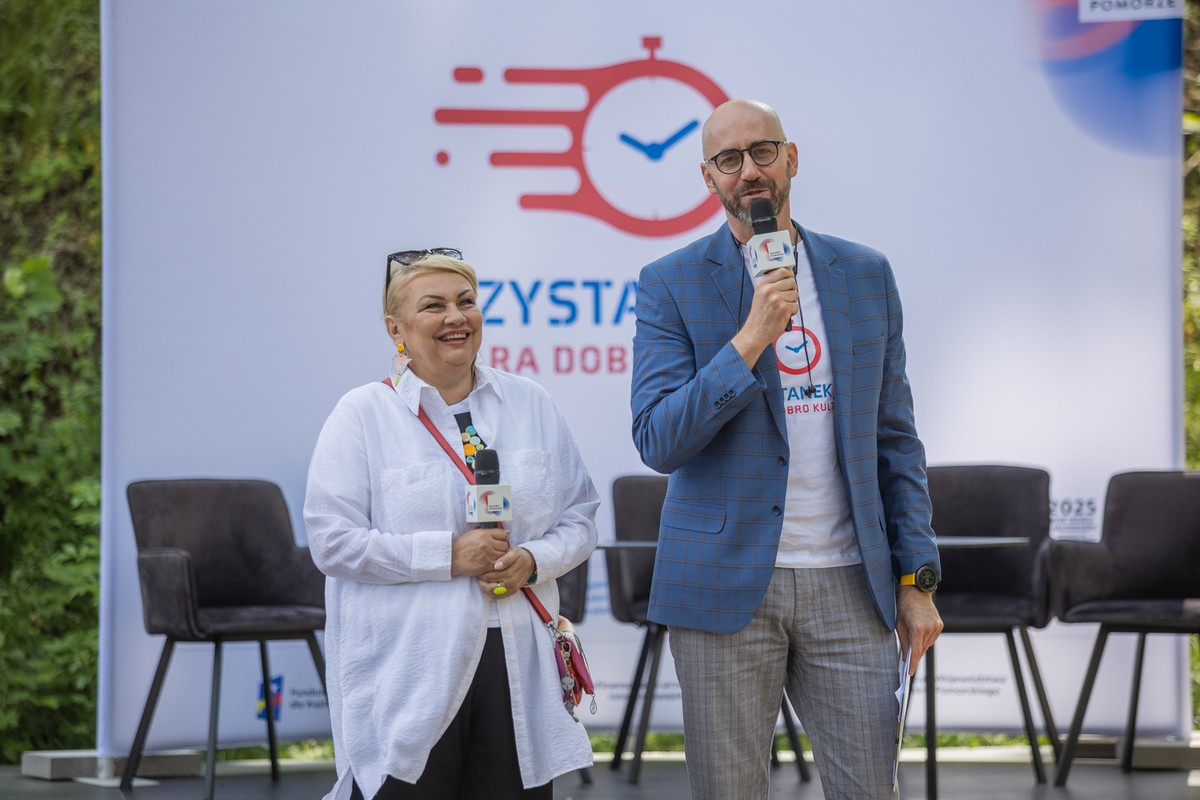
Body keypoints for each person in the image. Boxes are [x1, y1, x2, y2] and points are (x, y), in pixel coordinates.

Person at [629, 99, 943, 799]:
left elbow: (896, 439)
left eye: (762, 152)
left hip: (851, 582)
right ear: (708, 177)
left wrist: (916, 582)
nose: (749, 171)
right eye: (728, 159)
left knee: (870, 790)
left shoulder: (865, 273)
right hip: (722, 584)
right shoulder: (670, 282)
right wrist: (749, 340)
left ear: (791, 158)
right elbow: (658, 438)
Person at [305, 249, 599, 800]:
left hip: (516, 660)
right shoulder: (362, 414)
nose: (455, 317)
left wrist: (533, 561)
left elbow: (580, 516)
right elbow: (332, 543)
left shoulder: (530, 403)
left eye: (466, 301)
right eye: (433, 306)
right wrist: (447, 556)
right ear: (395, 328)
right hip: (410, 667)